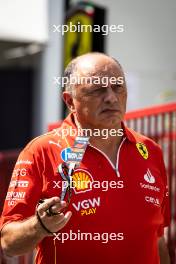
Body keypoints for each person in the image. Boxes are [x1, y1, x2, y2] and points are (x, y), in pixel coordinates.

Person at [0, 53, 170, 264]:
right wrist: (39, 226)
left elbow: (157, 238)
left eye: (117, 87)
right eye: (97, 89)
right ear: (70, 101)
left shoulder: (150, 150)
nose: (111, 97)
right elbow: (9, 243)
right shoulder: (41, 151)